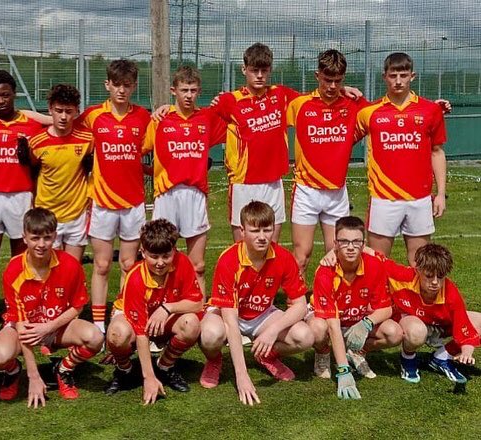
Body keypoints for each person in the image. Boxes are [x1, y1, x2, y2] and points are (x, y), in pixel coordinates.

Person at [199, 201, 312, 406]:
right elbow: (230, 322)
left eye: (267, 229)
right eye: (255, 230)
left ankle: (266, 355)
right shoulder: (228, 260)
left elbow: (300, 305)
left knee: (304, 337)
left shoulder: (283, 257)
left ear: (274, 229)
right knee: (210, 335)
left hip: (262, 314)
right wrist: (241, 376)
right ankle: (214, 360)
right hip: (229, 314)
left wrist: (272, 332)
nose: (262, 236)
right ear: (242, 231)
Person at [0, 208, 103, 405]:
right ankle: (14, 371)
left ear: (55, 237)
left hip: (56, 327)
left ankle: (64, 369)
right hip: (23, 328)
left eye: (47, 238)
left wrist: (49, 327)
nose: (41, 244)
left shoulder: (70, 264)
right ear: (24, 237)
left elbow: (77, 307)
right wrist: (33, 377)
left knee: (95, 338)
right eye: (35, 238)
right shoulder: (14, 269)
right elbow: (22, 328)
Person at [80, 59, 152, 333]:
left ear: (134, 86)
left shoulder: (143, 116)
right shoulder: (93, 115)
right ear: (107, 84)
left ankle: (122, 317)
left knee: (128, 264)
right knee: (100, 264)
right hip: (102, 203)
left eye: (127, 85)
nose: (121, 90)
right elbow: (62, 125)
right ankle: (99, 324)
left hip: (133, 203)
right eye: (116, 85)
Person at [143, 65, 226, 298]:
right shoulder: (161, 119)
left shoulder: (206, 119)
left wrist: (223, 101)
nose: (188, 95)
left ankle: (197, 312)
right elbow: (138, 148)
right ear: (173, 90)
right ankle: (161, 307)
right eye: (184, 90)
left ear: (199, 91)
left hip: (195, 193)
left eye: (193, 90)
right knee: (160, 259)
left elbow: (235, 121)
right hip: (167, 194)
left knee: (198, 265)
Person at [356, 52, 447, 265]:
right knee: (377, 263)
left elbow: (437, 152)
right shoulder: (369, 112)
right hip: (383, 198)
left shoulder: (430, 110)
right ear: (384, 77)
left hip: (420, 198)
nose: (398, 81)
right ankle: (381, 300)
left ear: (412, 76)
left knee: (419, 262)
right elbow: (341, 137)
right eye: (393, 75)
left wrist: (441, 194)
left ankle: (414, 299)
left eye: (403, 75)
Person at [286, 50, 370, 274]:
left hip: (337, 192)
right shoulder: (300, 104)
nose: (332, 86)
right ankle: (299, 303)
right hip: (306, 190)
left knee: (340, 253)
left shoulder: (353, 105)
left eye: (338, 81)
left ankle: (332, 303)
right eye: (327, 79)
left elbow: (385, 113)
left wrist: (435, 108)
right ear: (317, 75)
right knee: (301, 256)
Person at [104, 219, 204, 404]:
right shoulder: (135, 278)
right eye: (153, 256)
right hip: (131, 319)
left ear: (174, 250)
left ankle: (165, 366)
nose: (160, 262)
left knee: (192, 324)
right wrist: (148, 379)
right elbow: (141, 332)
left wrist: (167, 308)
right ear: (142, 252)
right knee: (117, 335)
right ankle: (125, 370)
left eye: (166, 256)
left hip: (163, 314)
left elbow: (198, 303)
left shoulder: (183, 262)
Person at [209, 43, 302, 242]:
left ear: (270, 70)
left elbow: (314, 103)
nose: (259, 75)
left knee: (272, 247)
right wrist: (167, 109)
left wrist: (341, 89)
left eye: (264, 70)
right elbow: (197, 121)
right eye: (254, 70)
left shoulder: (281, 95)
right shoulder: (229, 101)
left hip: (273, 183)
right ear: (244, 70)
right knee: (243, 248)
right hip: (243, 184)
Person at [307, 216, 402, 399]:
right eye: (344, 241)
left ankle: (357, 351)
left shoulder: (374, 265)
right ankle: (323, 353)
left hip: (357, 319)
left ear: (363, 243)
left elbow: (386, 307)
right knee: (318, 329)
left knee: (394, 332)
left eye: (356, 241)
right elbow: (332, 324)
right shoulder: (325, 271)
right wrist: (343, 371)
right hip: (329, 321)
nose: (350, 247)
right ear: (335, 243)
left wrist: (366, 323)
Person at [0, 70, 43, 302]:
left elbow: (58, 126)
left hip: (20, 198)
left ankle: (16, 314)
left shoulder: (32, 125)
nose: (1, 100)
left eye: (6, 95)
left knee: (21, 263)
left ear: (14, 94)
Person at [384, 243, 480, 384]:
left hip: (439, 326)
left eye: (440, 276)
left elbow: (463, 327)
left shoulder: (451, 293)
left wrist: (466, 353)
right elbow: (376, 258)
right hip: (412, 323)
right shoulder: (402, 276)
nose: (435, 282)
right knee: (417, 331)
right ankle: (408, 359)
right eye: (429, 276)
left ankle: (441, 357)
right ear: (418, 270)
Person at [20, 85, 93, 261]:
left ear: (76, 111)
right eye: (58, 110)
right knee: (50, 272)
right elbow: (32, 173)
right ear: (50, 109)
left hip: (77, 215)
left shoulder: (88, 139)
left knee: (72, 270)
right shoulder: (36, 142)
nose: (63, 117)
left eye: (69, 111)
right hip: (47, 215)